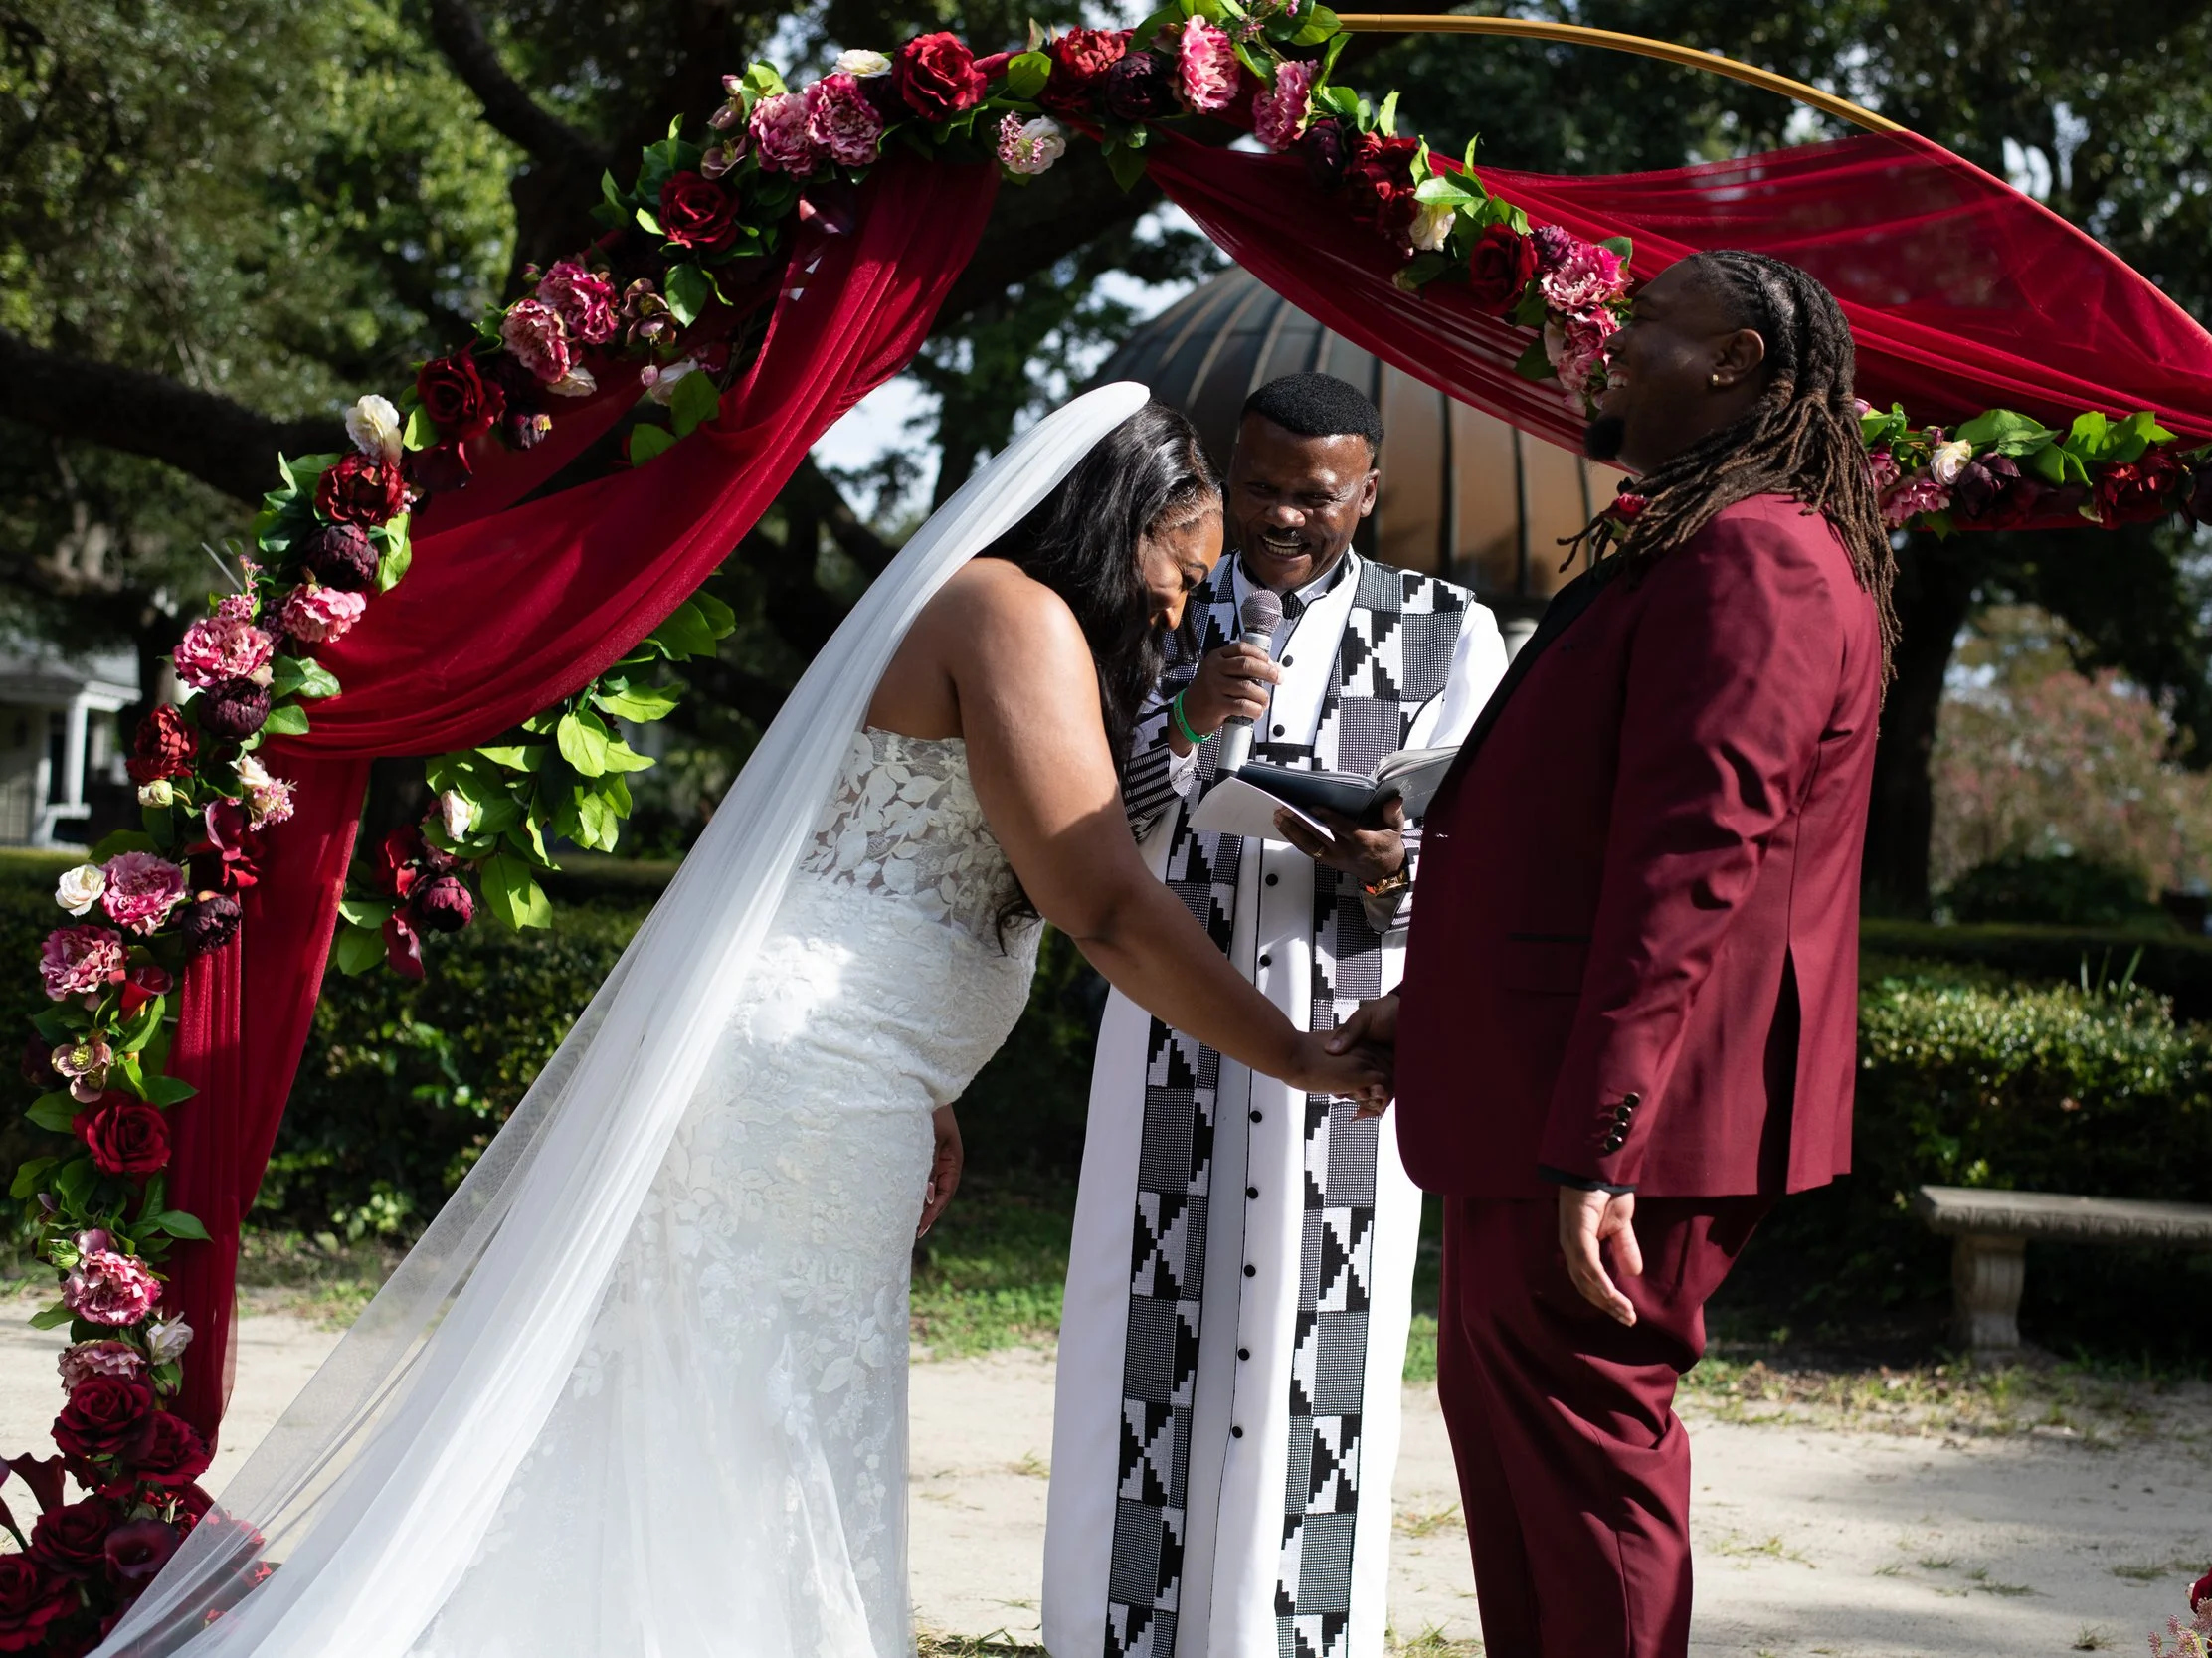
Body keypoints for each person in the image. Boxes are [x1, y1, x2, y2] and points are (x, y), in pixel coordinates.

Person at [97, 386, 1387, 1658]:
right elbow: (1102, 902)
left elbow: (877, 870)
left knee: (721, 1417)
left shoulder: (997, 617)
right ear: (1117, 517)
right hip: (803, 1090)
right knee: (761, 1427)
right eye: (1180, 562)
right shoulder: (1013, 611)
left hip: (844, 1079)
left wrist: (931, 1077)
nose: (1182, 600)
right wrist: (1303, 1054)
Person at [1329, 251, 1899, 1658]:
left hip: (1609, 1127)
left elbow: (1694, 864)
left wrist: (1602, 1139)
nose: (1612, 344)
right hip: (1538, 1088)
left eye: (1650, 324)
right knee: (1519, 1468)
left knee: (1586, 1471)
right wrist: (1446, 999)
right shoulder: (1693, 539)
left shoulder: (1759, 555)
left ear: (1737, 366)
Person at [1043, 373, 1505, 1658]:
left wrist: (1399, 873)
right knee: (1151, 1329)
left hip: (1354, 1017)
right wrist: (1187, 720)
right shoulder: (1151, 606)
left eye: (1320, 495)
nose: (1287, 518)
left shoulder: (1448, 629)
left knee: (1321, 1335)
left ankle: (1289, 1635)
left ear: (1370, 490)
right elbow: (1076, 827)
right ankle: (1122, 1630)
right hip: (1172, 1024)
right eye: (1261, 488)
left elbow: (1487, 849)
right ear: (1227, 473)